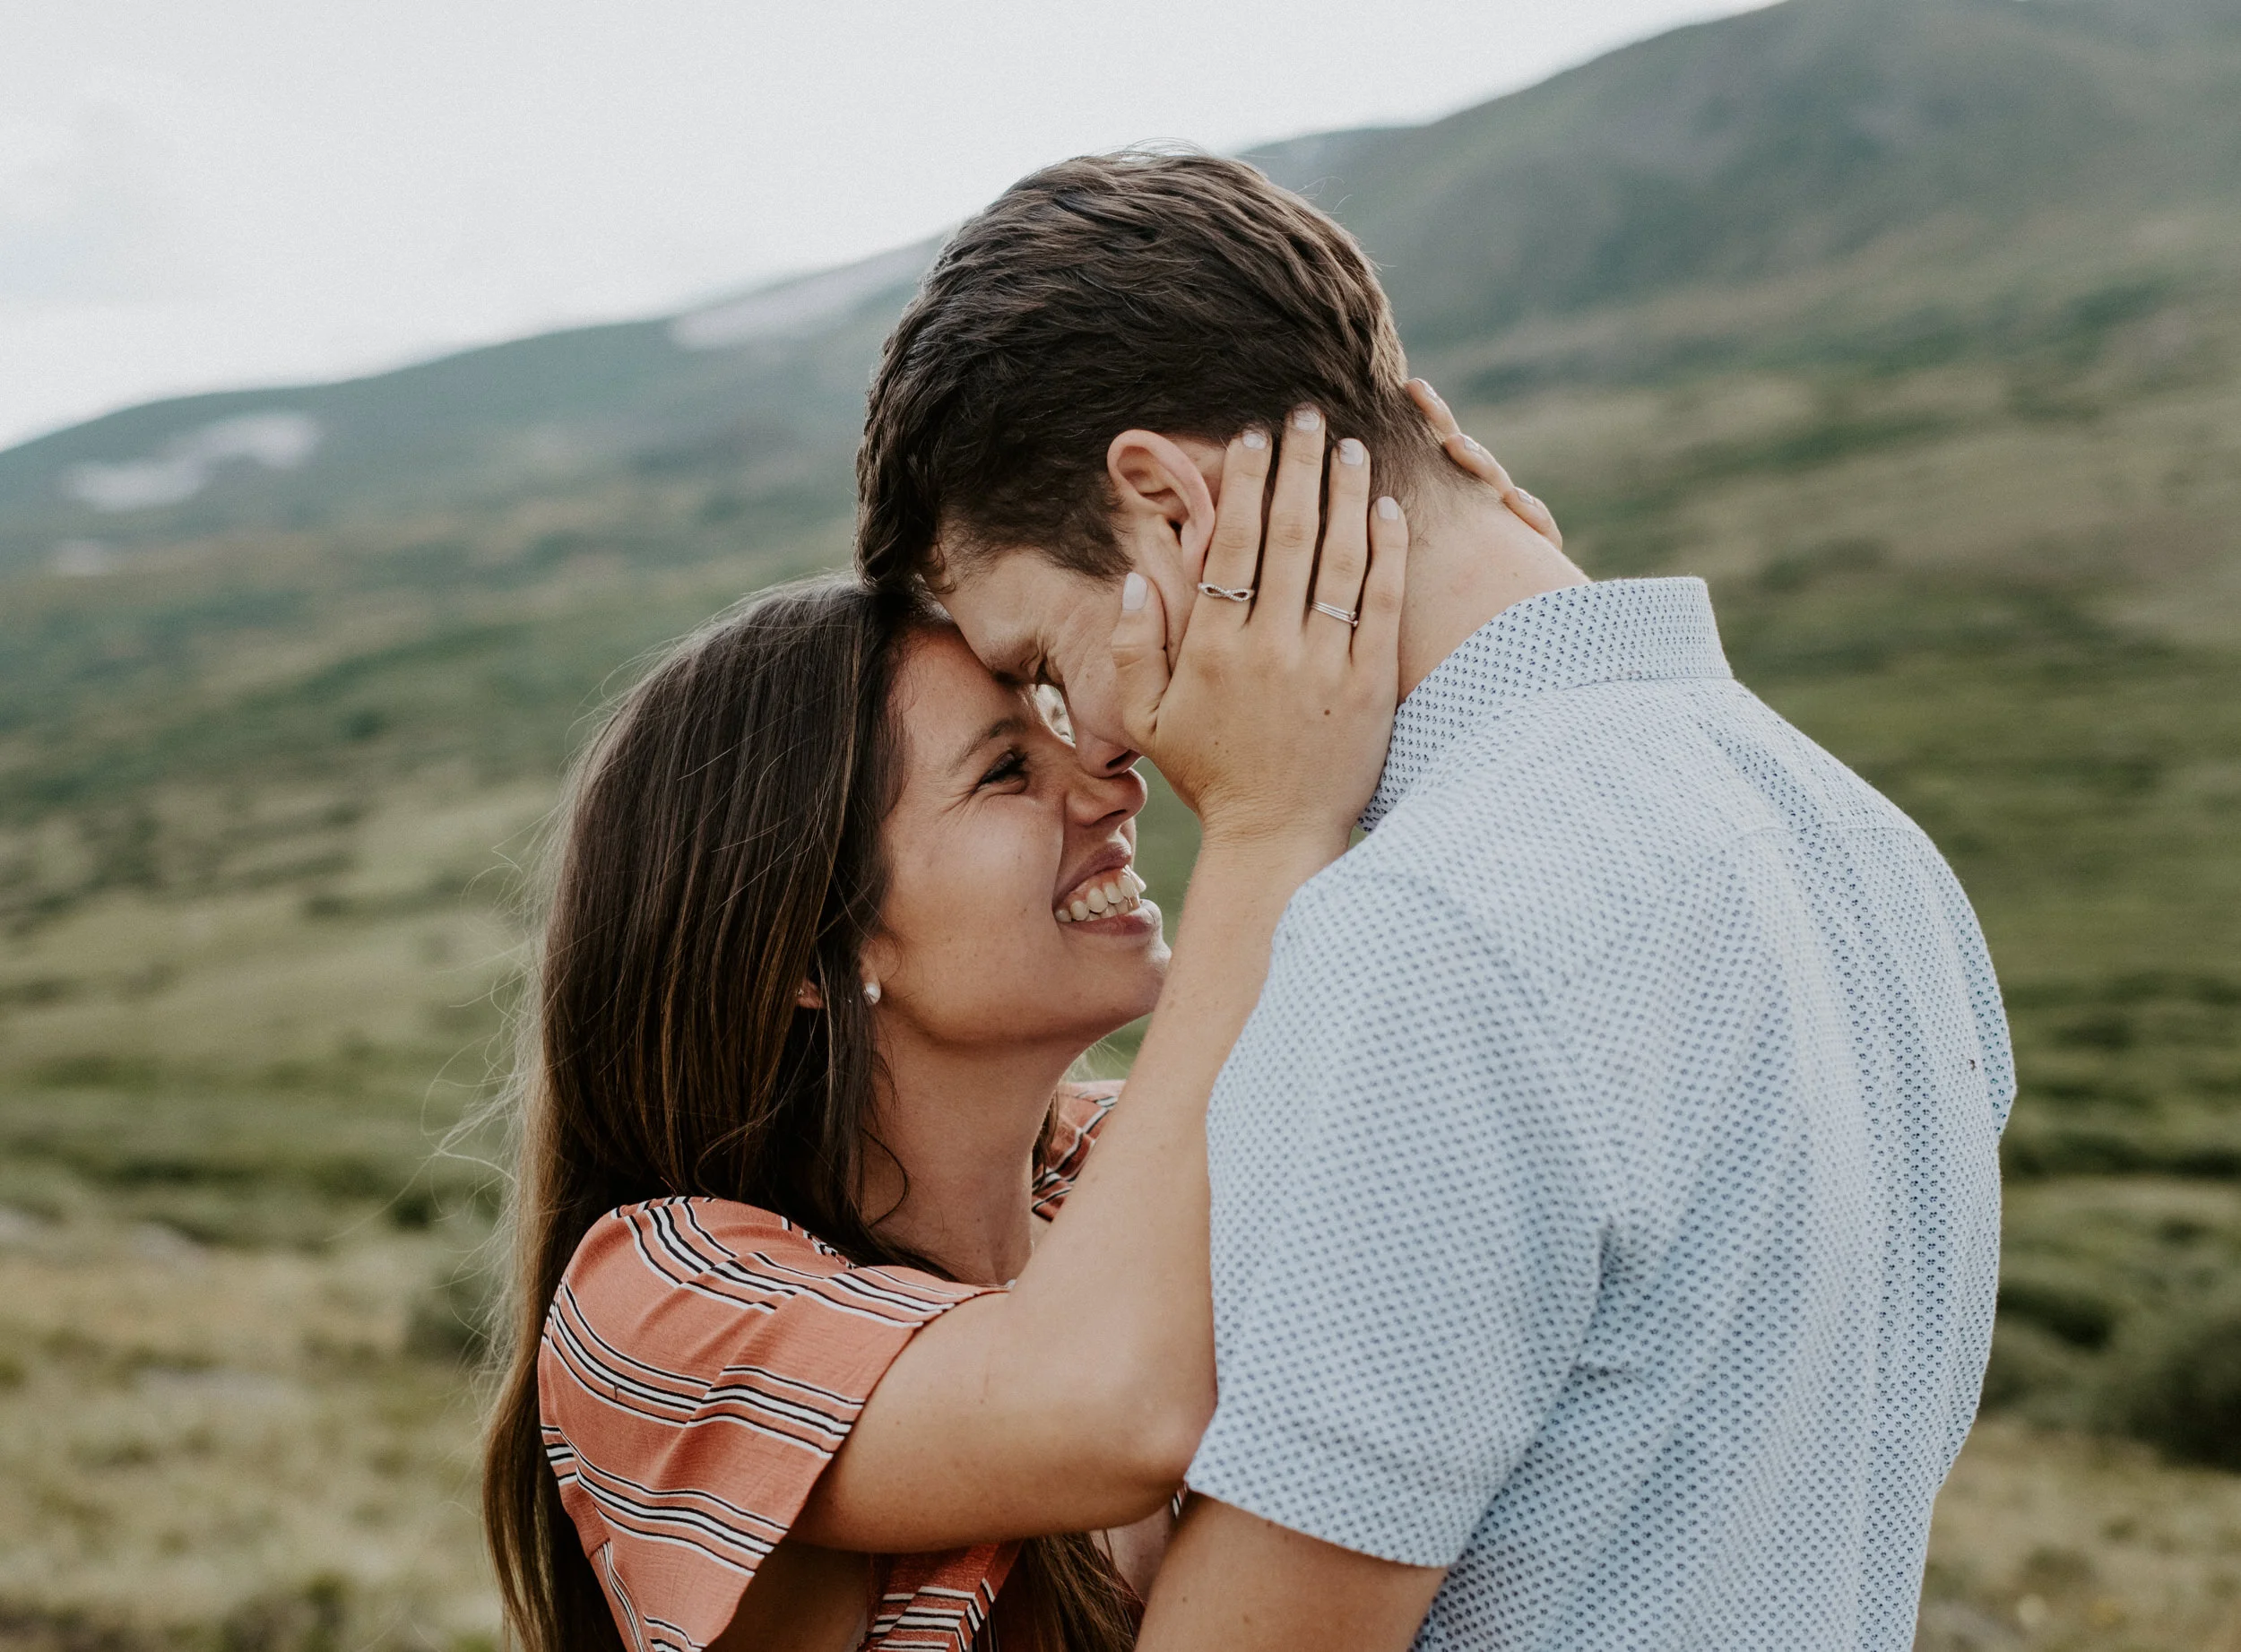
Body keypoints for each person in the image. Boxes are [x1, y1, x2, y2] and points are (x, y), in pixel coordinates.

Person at [856, 150, 2014, 1651]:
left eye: (1041, 663)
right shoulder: (1871, 851)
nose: (1095, 744)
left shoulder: (1429, 932)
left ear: (1162, 508)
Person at [481, 418, 1411, 1652]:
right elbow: (1109, 1406)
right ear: (823, 946)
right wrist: (1265, 827)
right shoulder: (654, 1302)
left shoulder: (1119, 1171)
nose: (1113, 781)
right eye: (1006, 773)